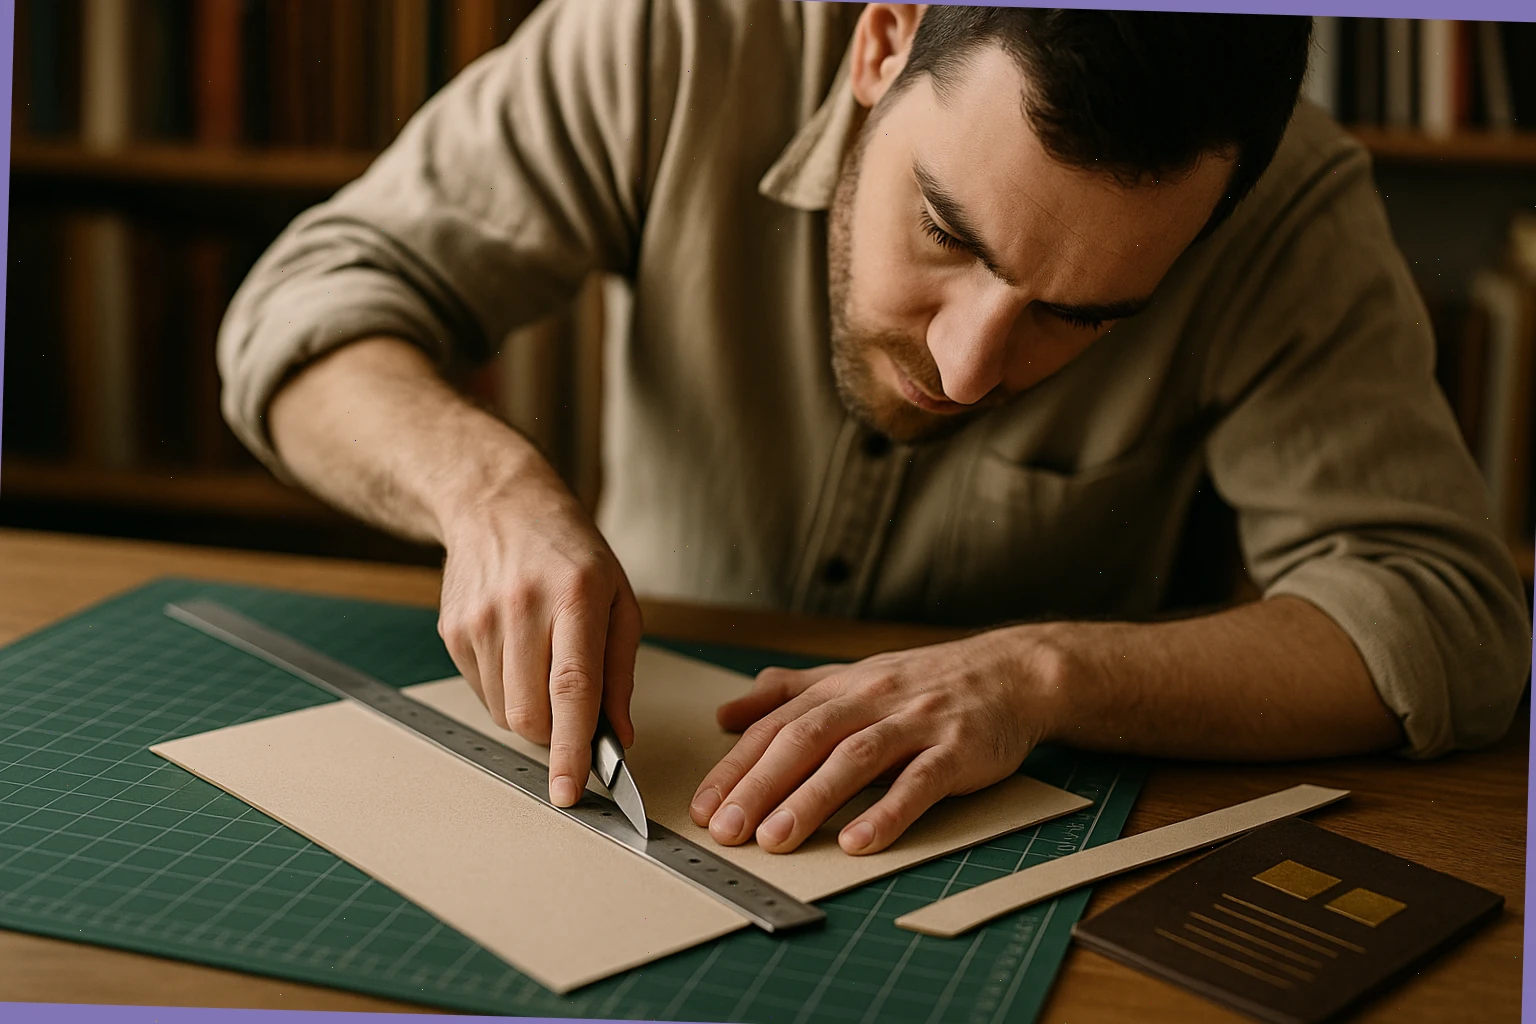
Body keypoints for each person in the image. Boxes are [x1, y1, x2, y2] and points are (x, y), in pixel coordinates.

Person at [217, 2, 1531, 859]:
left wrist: (1034, 677)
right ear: (882, 41)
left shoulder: (1289, 211)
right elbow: (302, 309)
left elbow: (1447, 618)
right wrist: (485, 489)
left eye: (1081, 318)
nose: (969, 367)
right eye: (948, 234)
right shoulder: (669, 34)